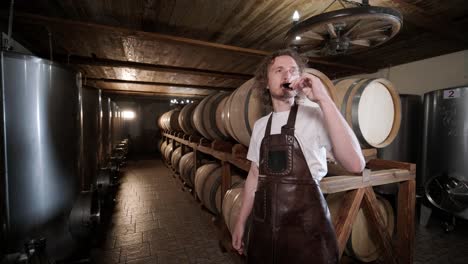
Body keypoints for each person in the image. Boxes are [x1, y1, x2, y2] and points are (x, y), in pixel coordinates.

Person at [231, 49, 365, 264]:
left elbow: (356, 164)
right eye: (279, 70)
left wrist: (323, 99)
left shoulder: (315, 116)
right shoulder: (260, 127)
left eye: (293, 70)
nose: (287, 75)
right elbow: (255, 177)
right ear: (266, 81)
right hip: (265, 231)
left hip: (307, 233)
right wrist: (240, 222)